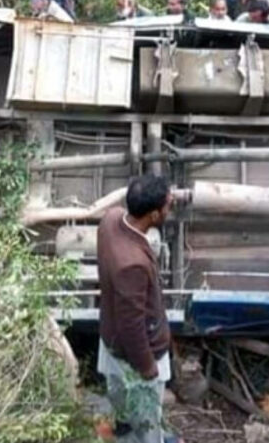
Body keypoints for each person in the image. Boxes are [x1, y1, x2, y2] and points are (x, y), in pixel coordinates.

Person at [97, 175, 176, 443]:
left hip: (110, 340)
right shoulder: (132, 264)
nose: (170, 205)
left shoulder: (111, 219)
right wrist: (147, 367)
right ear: (154, 215)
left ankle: (122, 428)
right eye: (167, 205)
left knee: (119, 394)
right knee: (146, 415)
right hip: (135, 354)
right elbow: (131, 325)